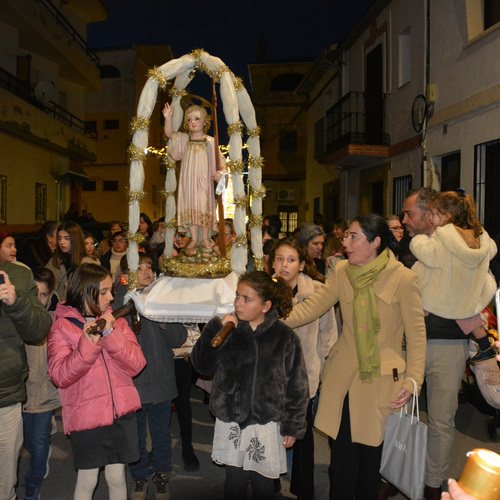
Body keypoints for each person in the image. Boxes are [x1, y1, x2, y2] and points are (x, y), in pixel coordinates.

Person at [284, 214, 427, 500]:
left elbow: (416, 335)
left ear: (374, 242)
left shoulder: (403, 278)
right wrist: (270, 319)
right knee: (341, 462)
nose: (344, 242)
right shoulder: (342, 273)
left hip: (382, 382)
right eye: (346, 235)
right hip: (344, 379)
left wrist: (414, 381)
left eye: (353, 237)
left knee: (371, 463)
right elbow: (312, 308)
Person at [191, 271, 309, 500]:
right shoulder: (228, 331)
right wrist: (215, 328)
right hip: (232, 419)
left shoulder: (285, 337)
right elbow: (202, 366)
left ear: (265, 306)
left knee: (264, 485)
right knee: (234, 483)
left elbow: (297, 385)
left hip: (265, 423)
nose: (238, 303)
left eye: (247, 299)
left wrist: (293, 425)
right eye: (237, 296)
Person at [48, 263, 146, 500]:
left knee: (117, 477)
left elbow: (136, 364)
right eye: (103, 292)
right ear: (85, 291)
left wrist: (111, 335)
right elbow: (60, 375)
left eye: (110, 290)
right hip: (88, 417)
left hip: (121, 413)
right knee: (87, 480)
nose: (111, 297)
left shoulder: (117, 322)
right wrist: (88, 345)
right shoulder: (62, 326)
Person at [402, 187, 471, 499]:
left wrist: (432, 302)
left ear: (430, 214)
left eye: (409, 214)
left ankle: (432, 485)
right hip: (409, 341)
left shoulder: (461, 245)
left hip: (448, 343)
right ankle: (397, 473)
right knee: (399, 413)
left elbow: (475, 287)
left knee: (442, 420)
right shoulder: (409, 246)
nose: (405, 220)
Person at [114, 254, 187, 500]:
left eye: (149, 268)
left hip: (161, 377)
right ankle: (139, 477)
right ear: (127, 273)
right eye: (139, 268)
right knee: (134, 435)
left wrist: (163, 321)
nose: (146, 272)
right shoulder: (119, 301)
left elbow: (178, 339)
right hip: (131, 381)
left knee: (161, 434)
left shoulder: (163, 299)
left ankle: (162, 475)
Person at [271, 238, 337, 499]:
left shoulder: (318, 292)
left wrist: (324, 371)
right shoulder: (265, 291)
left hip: (305, 372)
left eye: (290, 260)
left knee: (302, 431)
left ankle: (303, 487)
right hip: (272, 374)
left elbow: (328, 333)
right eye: (279, 258)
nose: (284, 265)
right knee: (272, 429)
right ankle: (271, 480)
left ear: (301, 264)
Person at [410, 190, 497, 362]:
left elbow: (429, 255)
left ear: (447, 216)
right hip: (466, 293)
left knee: (420, 308)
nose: (430, 218)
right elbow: (492, 251)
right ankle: (485, 346)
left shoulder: (444, 236)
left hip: (443, 293)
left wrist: (419, 240)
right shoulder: (478, 235)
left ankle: (410, 338)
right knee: (469, 316)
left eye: (434, 214)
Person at [0, 259, 52, 500]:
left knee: (4, 483)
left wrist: (16, 301)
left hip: (6, 397)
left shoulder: (18, 275)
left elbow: (40, 330)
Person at [22, 267, 61, 500]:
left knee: (37, 441)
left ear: (51, 296)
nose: (39, 299)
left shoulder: (56, 322)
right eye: (35, 294)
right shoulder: (16, 320)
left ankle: (33, 485)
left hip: (46, 392)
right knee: (26, 440)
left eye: (44, 295)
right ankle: (43, 452)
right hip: (22, 391)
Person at [163, 103, 224, 250]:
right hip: (188, 182)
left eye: (196, 118)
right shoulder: (184, 139)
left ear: (205, 122)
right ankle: (194, 238)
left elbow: (221, 160)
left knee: (203, 205)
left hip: (203, 182)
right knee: (190, 206)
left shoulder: (210, 141)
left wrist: (221, 172)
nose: (193, 122)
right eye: (189, 120)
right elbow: (169, 134)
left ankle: (205, 238)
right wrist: (168, 118)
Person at [45, 221, 95, 300]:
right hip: (56, 308)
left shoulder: (88, 263)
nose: (62, 242)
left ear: (76, 239)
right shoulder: (54, 261)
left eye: (67, 238)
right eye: (59, 238)